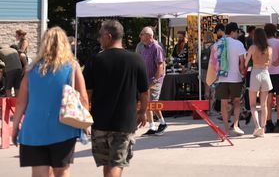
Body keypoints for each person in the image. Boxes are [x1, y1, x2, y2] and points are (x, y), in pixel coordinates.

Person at [12, 27, 88, 176]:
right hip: (64, 127)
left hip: (33, 129)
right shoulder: (73, 66)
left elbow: (21, 103)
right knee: (61, 171)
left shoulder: (31, 69)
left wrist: (15, 128)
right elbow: (83, 97)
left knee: (39, 173)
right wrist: (85, 125)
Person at [83, 20, 149, 176]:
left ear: (108, 36)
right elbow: (144, 92)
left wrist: (85, 116)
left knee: (108, 164)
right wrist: (142, 112)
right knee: (116, 164)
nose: (99, 39)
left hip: (100, 122)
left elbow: (87, 93)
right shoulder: (136, 60)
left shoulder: (94, 60)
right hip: (124, 122)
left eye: (100, 36)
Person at [211, 22, 247, 136]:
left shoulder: (217, 44)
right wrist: (242, 73)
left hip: (221, 78)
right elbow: (242, 63)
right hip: (235, 77)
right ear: (233, 32)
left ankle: (226, 129)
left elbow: (213, 63)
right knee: (237, 102)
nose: (237, 34)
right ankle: (235, 125)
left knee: (224, 104)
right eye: (237, 32)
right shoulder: (238, 44)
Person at [138, 27, 166, 136]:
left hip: (155, 80)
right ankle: (152, 126)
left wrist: (155, 80)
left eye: (142, 34)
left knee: (153, 103)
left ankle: (162, 123)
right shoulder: (143, 48)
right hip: (146, 79)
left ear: (149, 36)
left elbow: (160, 65)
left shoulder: (156, 47)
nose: (140, 36)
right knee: (147, 102)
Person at [246, 28, 273, 136]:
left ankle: (256, 126)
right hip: (265, 74)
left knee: (252, 104)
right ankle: (263, 127)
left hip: (255, 73)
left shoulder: (252, 48)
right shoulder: (269, 49)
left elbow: (246, 62)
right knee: (264, 104)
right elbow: (270, 64)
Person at [264, 23, 279, 132]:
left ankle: (268, 122)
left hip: (266, 72)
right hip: (277, 73)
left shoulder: (263, 42)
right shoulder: (278, 42)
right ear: (275, 32)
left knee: (268, 99)